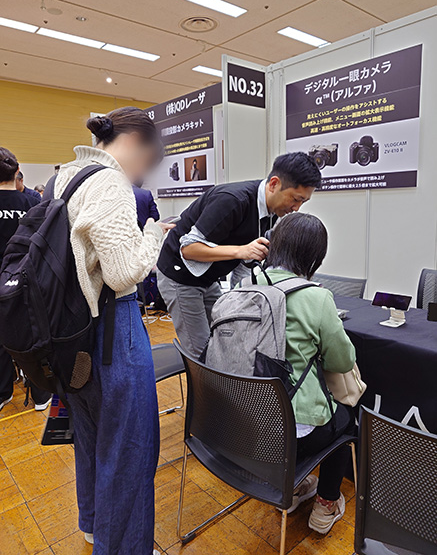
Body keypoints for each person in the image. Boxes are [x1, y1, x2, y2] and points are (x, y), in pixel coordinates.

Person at [54, 107, 171, 555]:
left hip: (72, 331)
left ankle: (93, 523)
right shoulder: (112, 183)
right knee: (130, 449)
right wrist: (153, 234)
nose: (145, 173)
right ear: (137, 144)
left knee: (90, 436)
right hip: (112, 328)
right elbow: (123, 274)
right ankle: (124, 547)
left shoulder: (67, 176)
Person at [157, 152, 321, 358]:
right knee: (200, 353)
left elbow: (246, 263)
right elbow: (188, 250)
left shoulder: (270, 213)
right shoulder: (232, 200)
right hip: (179, 275)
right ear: (274, 184)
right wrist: (240, 250)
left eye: (303, 202)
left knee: (223, 337)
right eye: (296, 199)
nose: (296, 208)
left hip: (207, 278)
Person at [259, 213, 356, 534]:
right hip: (296, 430)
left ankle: (289, 491)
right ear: (315, 256)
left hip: (249, 424)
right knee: (346, 419)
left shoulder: (248, 285)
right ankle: (326, 506)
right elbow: (342, 361)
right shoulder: (316, 297)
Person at [0, 148, 51, 412]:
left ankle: (3, 392)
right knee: (31, 334)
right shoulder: (33, 204)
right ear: (17, 171)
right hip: (27, 281)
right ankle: (41, 394)